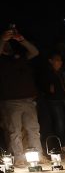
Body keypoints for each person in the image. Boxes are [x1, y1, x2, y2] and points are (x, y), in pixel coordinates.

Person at [0, 27, 41, 165]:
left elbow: (35, 52)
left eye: (9, 44)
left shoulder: (20, 56)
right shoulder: (2, 60)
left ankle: (38, 155)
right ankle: (18, 158)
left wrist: (22, 40)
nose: (8, 46)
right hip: (11, 100)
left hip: (28, 98)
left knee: (33, 129)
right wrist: (2, 40)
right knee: (14, 131)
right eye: (5, 45)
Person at [41, 51, 65, 150]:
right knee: (60, 122)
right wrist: (49, 89)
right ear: (51, 61)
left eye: (60, 60)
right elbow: (45, 86)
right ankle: (63, 144)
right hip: (55, 101)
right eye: (57, 60)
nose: (59, 62)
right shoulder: (48, 73)